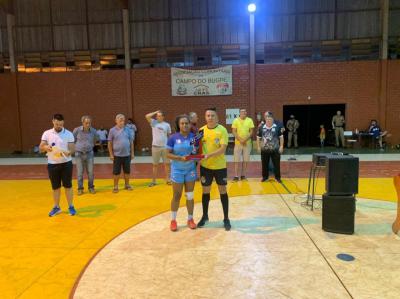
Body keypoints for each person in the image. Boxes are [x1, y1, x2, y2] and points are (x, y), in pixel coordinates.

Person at [197, 108, 231, 231]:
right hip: (205, 167)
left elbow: (222, 149)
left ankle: (226, 218)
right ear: (205, 117)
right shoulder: (201, 130)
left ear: (217, 117)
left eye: (212, 115)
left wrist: (208, 155)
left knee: (222, 190)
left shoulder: (222, 130)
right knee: (205, 191)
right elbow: (192, 144)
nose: (210, 117)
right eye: (208, 115)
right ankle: (205, 216)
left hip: (220, 166)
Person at [166, 115, 199, 231]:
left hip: (190, 170)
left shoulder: (194, 137)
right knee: (177, 195)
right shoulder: (173, 138)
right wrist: (180, 158)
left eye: (186, 123)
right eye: (182, 123)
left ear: (190, 124)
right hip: (177, 170)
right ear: (178, 125)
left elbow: (196, 152)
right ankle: (173, 220)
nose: (185, 125)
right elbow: (167, 154)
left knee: (190, 195)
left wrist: (196, 158)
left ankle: (190, 219)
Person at [39, 114, 76, 217]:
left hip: (66, 164)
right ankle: (56, 207)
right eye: (56, 124)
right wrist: (47, 147)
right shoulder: (47, 133)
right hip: (53, 164)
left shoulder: (68, 134)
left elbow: (72, 149)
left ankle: (71, 206)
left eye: (60, 124)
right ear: (53, 122)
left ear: (63, 122)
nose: (58, 126)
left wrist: (68, 152)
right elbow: (41, 147)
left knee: (68, 186)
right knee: (55, 187)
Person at [73, 115, 99, 195]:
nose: (88, 124)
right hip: (79, 154)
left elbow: (96, 140)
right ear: (83, 123)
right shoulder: (76, 130)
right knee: (80, 173)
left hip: (89, 154)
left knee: (90, 172)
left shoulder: (94, 131)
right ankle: (80, 188)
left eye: (89, 123)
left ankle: (91, 187)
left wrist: (90, 146)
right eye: (86, 123)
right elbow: (72, 140)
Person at [108, 114, 134, 193]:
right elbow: (109, 143)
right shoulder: (112, 130)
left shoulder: (128, 129)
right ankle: (115, 186)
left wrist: (132, 153)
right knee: (116, 172)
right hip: (117, 155)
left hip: (127, 155)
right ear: (116, 121)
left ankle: (127, 185)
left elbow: (131, 142)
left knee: (127, 171)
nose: (122, 122)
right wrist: (111, 154)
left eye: (123, 120)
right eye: (120, 120)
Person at [145, 110, 172, 187]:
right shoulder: (154, 123)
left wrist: (170, 147)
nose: (158, 117)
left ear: (163, 117)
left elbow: (169, 136)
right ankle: (153, 181)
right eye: (157, 116)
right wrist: (156, 112)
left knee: (167, 164)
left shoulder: (167, 125)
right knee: (155, 165)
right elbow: (147, 116)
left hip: (164, 147)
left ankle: (168, 179)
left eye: (160, 116)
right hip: (155, 147)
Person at [257, 112, 284, 183]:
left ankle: (278, 178)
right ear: (265, 119)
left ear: (272, 120)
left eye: (270, 119)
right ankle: (265, 177)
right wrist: (258, 147)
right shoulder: (261, 127)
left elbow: (281, 137)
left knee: (277, 164)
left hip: (275, 149)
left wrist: (281, 146)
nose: (269, 120)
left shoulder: (277, 127)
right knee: (264, 164)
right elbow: (258, 138)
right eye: (267, 119)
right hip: (264, 149)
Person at [231, 108, 254, 181]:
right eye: (242, 112)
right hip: (238, 143)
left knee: (245, 160)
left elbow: (251, 132)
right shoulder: (235, 120)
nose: (243, 113)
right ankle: (236, 176)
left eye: (245, 112)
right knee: (236, 160)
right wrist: (241, 140)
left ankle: (243, 175)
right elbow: (234, 131)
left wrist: (245, 140)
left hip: (247, 143)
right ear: (239, 113)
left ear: (246, 113)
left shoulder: (249, 120)